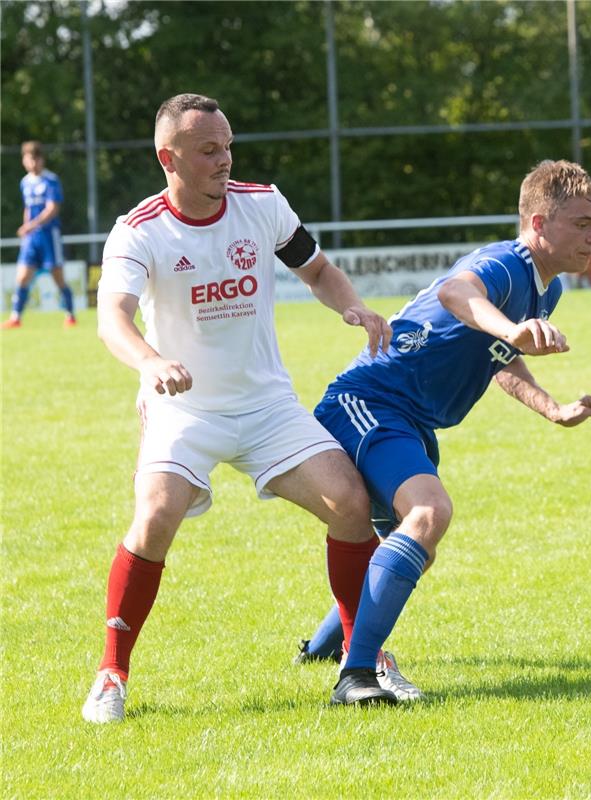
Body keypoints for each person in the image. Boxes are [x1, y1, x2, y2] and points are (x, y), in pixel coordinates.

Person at [82, 93, 398, 724]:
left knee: (351, 504)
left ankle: (366, 658)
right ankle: (112, 673)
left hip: (265, 404)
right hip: (184, 409)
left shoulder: (261, 204)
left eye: (227, 146)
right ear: (167, 158)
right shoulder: (139, 228)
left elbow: (318, 270)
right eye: (208, 150)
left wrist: (351, 305)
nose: (225, 159)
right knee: (154, 517)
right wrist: (149, 362)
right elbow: (111, 319)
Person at [304, 159, 591, 700]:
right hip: (367, 400)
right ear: (539, 224)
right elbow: (458, 294)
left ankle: (326, 645)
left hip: (411, 418)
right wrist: (512, 327)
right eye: (582, 224)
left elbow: (501, 357)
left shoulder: (548, 289)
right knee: (429, 515)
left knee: (410, 545)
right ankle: (357, 676)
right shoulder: (503, 263)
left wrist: (555, 409)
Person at [4, 141, 76, 329]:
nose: (33, 163)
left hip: (48, 236)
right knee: (21, 278)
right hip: (32, 238)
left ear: (42, 160)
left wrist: (31, 225)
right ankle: (16, 317)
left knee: (58, 277)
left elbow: (52, 209)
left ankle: (70, 315)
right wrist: (26, 228)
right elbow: (28, 208)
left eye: (36, 159)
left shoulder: (50, 180)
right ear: (24, 161)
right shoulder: (25, 182)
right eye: (29, 159)